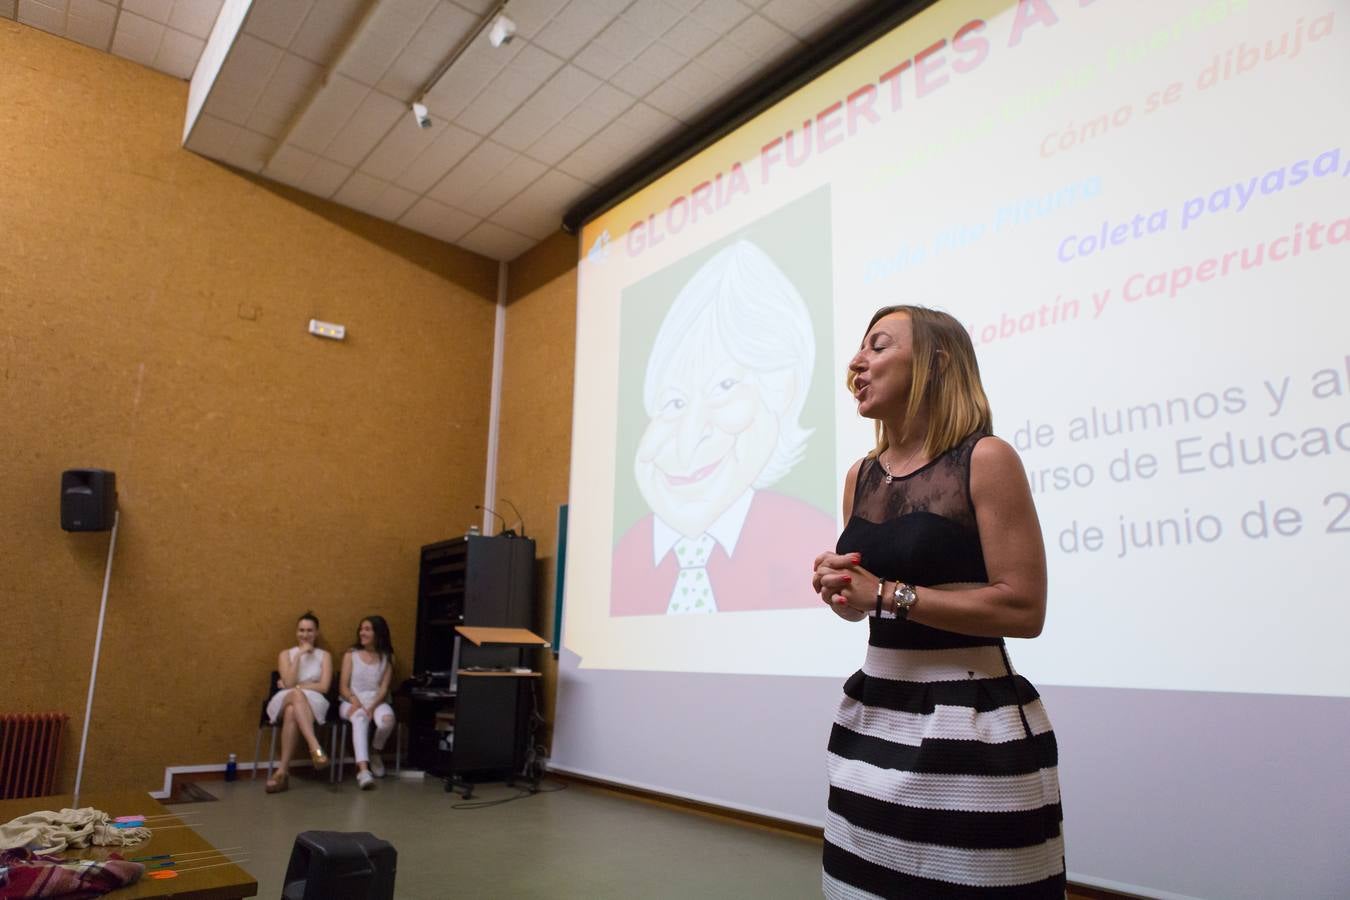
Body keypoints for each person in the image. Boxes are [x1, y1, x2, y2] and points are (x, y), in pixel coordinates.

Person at [812, 305, 1065, 897]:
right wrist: (846, 593)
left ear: (936, 361)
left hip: (970, 725)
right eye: (859, 349)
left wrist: (890, 594)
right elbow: (869, 602)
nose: (855, 362)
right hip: (872, 720)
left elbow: (1023, 610)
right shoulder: (861, 476)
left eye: (877, 346)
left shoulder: (985, 458)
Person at [611, 239, 835, 616]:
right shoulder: (625, 556)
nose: (689, 437)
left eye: (724, 388)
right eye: (674, 403)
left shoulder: (811, 540)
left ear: (782, 392)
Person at [264, 611, 332, 794]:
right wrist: (299, 656)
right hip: (285, 697)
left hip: (314, 701)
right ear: (296, 632)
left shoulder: (324, 656)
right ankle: (315, 747)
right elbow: (289, 683)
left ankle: (282, 772)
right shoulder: (286, 654)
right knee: (295, 695)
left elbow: (324, 686)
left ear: (316, 633)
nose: (305, 635)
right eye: (301, 630)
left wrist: (299, 686)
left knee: (292, 711)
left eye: (310, 630)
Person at [339, 616, 396, 790]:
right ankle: (363, 771)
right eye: (361, 629)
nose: (362, 633)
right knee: (360, 717)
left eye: (367, 629)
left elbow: (383, 689)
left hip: (376, 701)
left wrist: (371, 707)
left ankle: (375, 751)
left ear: (378, 633)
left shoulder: (388, 657)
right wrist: (353, 700)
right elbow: (342, 686)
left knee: (387, 721)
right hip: (350, 701)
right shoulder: (351, 654)